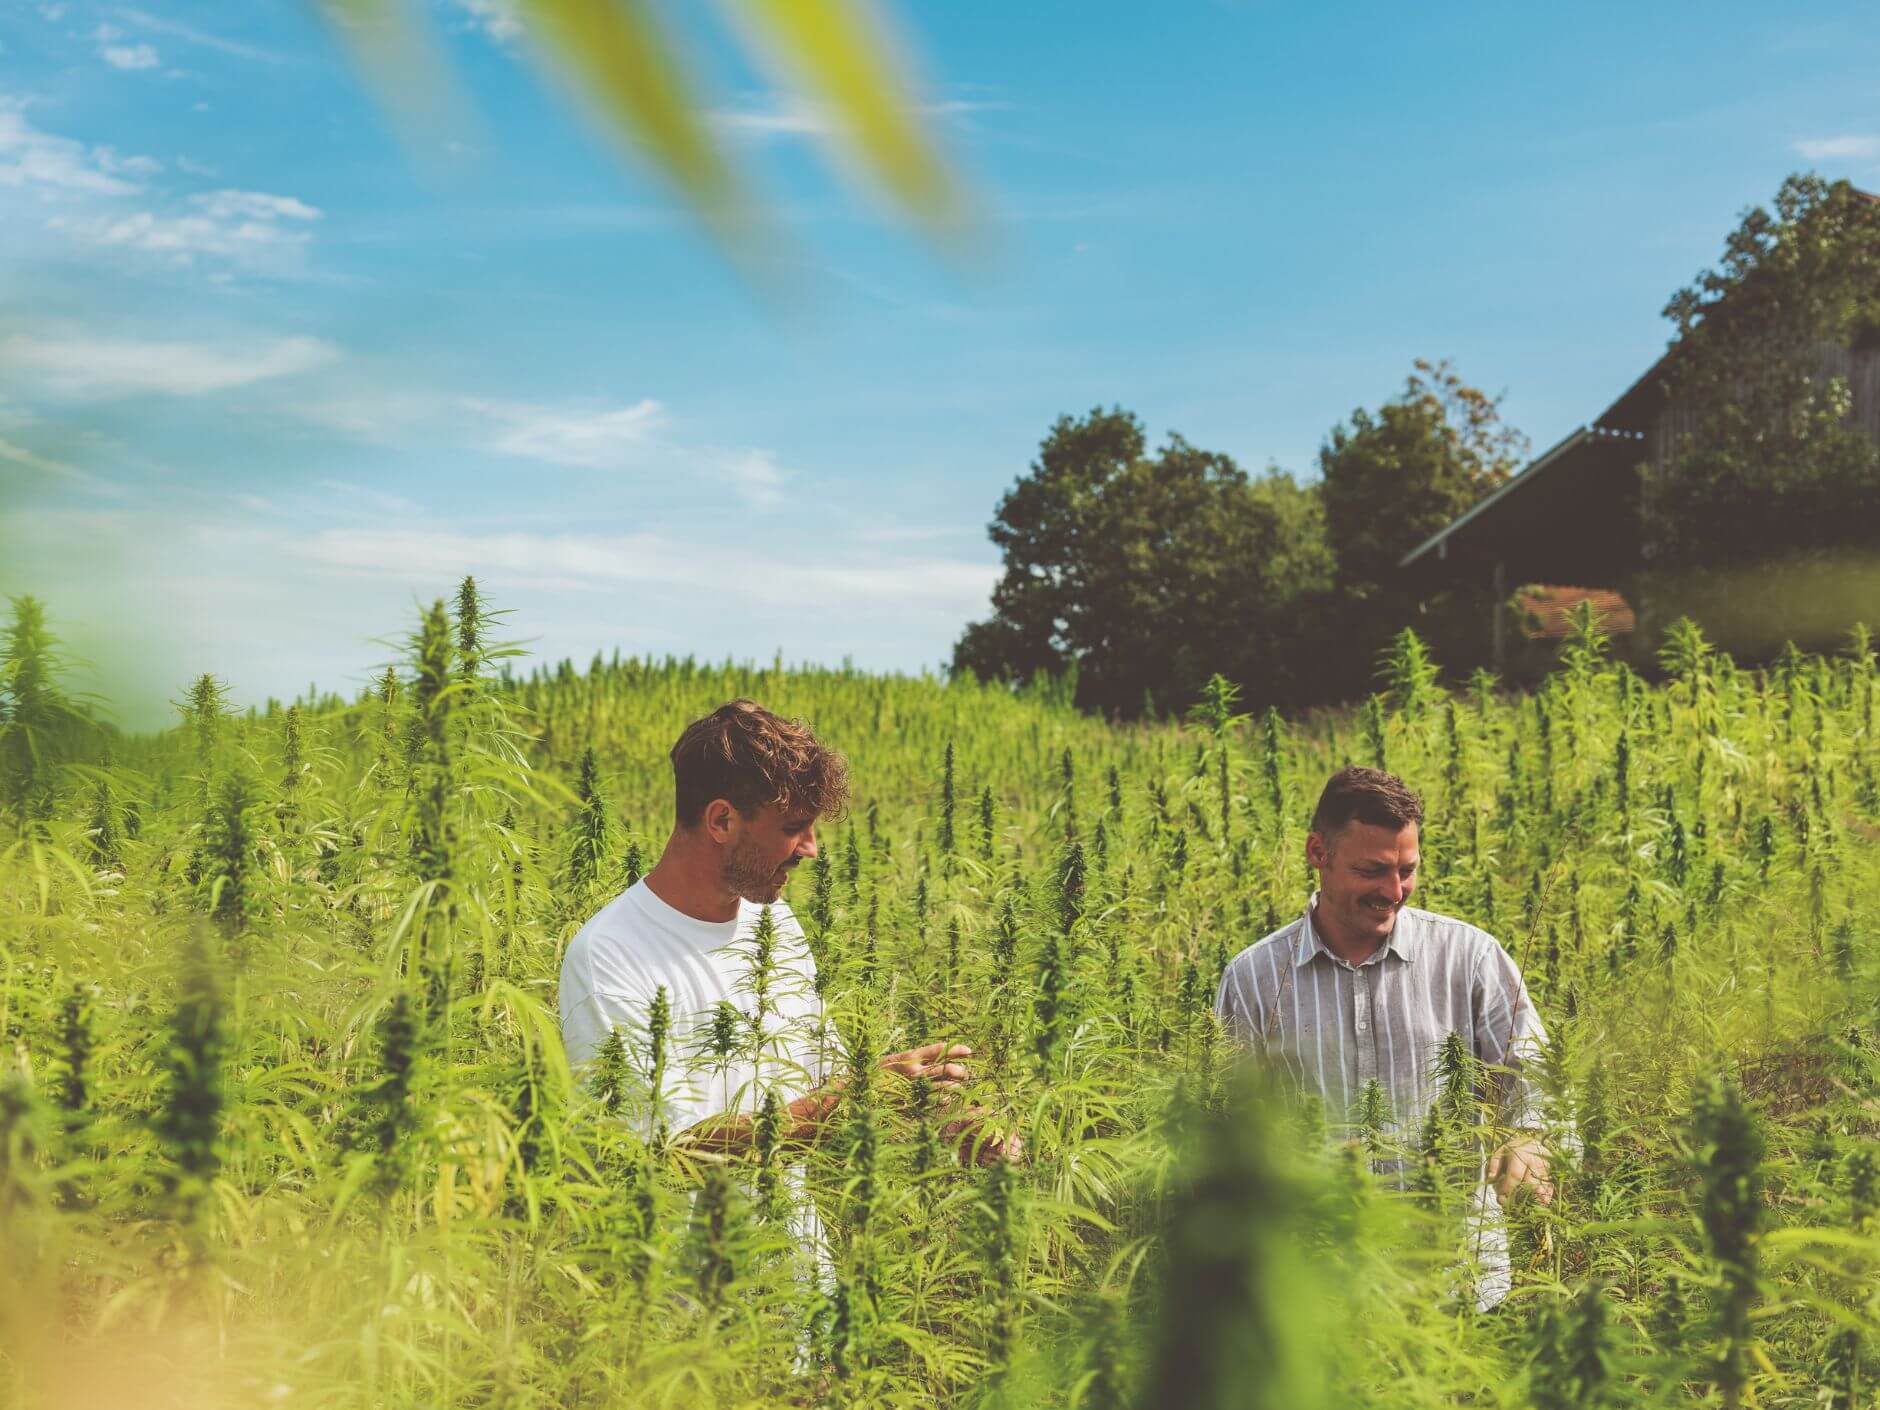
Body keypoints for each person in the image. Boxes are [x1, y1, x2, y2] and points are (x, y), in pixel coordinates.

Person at [560, 698, 999, 1159]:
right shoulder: (609, 956)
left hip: (794, 1229)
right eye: (794, 827)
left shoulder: (774, 922)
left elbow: (819, 1088)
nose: (810, 849)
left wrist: (934, 1117)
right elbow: (659, 1150)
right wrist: (859, 1095)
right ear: (722, 820)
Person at [1213, 765, 1554, 1308]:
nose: (1394, 892)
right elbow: (1225, 1129)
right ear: (1317, 853)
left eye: (1407, 871)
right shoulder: (1255, 979)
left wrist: (1532, 1135)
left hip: (1457, 1285)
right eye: (1372, 871)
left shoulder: (1469, 958)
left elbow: (1535, 1075)